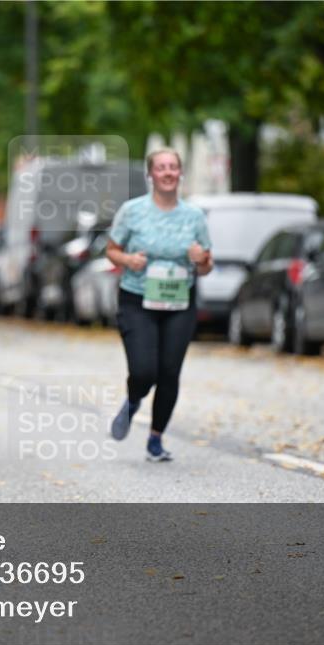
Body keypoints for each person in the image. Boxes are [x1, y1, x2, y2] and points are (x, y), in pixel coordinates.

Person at [105, 147, 213, 462]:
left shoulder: (194, 216)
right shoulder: (132, 211)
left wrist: (201, 259)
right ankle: (134, 398)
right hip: (137, 299)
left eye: (173, 167)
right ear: (150, 174)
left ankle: (155, 439)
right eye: (161, 167)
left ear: (180, 174)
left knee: (169, 372)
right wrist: (128, 259)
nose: (167, 172)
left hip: (179, 301)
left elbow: (207, 264)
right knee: (143, 370)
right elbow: (111, 250)